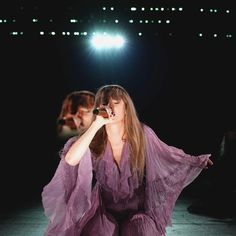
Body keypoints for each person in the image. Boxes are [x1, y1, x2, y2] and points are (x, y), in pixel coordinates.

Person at [42, 84, 213, 236]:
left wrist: (196, 161)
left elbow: (168, 154)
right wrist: (96, 125)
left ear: (126, 108)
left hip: (136, 211)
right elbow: (71, 160)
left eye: (115, 102)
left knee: (141, 232)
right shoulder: (94, 138)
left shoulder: (142, 134)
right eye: (104, 103)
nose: (109, 107)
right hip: (105, 211)